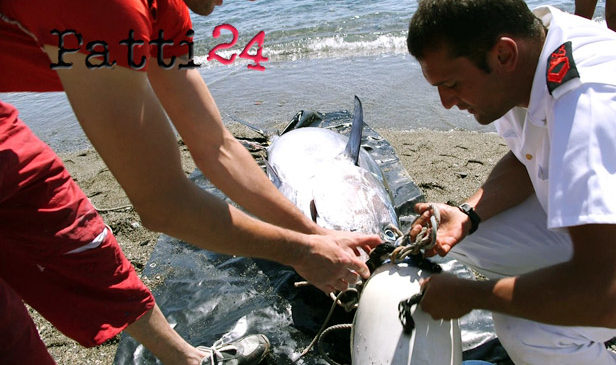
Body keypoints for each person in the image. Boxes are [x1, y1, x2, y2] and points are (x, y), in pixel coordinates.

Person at [0, 0, 382, 364]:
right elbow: (163, 205)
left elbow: (217, 147)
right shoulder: (108, 10)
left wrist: (313, 235)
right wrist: (300, 254)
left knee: (69, 228)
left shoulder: (164, 14)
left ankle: (187, 360)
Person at [406, 0, 616, 364]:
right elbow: (527, 159)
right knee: (458, 239)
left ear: (504, 55)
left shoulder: (593, 105)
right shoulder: (531, 53)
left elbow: (612, 293)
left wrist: (470, 295)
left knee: (526, 329)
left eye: (453, 84)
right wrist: (468, 214)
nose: (445, 102)